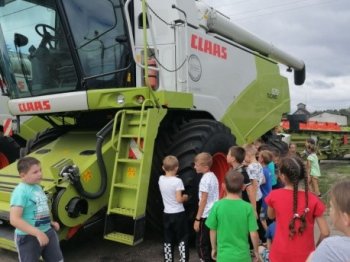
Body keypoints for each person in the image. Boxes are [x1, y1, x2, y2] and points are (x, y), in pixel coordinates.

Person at [265, 156, 329, 262]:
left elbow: (271, 216)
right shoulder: (313, 199)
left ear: (282, 176)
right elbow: (325, 232)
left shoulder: (274, 196)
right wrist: (316, 251)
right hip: (306, 256)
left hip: (279, 254)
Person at [9, 157, 63, 262]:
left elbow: (38, 210)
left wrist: (50, 222)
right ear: (23, 176)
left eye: (40, 170)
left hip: (48, 232)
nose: (40, 174)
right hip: (28, 237)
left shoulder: (37, 187)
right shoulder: (20, 192)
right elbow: (14, 219)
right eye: (35, 172)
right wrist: (37, 233)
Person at [205, 169, 260, 262]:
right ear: (243, 187)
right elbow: (253, 233)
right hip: (243, 256)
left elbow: (212, 230)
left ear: (223, 186)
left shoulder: (217, 206)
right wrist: (256, 251)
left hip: (223, 256)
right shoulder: (248, 207)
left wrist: (214, 248)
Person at [307, 179, 350, 262]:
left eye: (332, 207)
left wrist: (313, 255)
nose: (329, 210)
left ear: (345, 218)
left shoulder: (331, 248)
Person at [158, 155, 189, 262]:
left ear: (163, 168)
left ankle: (168, 259)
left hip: (167, 214)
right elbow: (179, 199)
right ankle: (183, 259)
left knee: (168, 239)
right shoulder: (177, 181)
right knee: (182, 238)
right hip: (178, 214)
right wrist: (185, 197)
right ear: (176, 168)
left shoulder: (161, 179)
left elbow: (168, 181)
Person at [193, 152, 219, 262]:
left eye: (197, 165)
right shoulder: (213, 176)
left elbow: (203, 199)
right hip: (213, 213)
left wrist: (197, 219)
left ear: (205, 167)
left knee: (201, 243)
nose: (194, 167)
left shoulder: (204, 179)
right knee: (211, 241)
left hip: (205, 215)